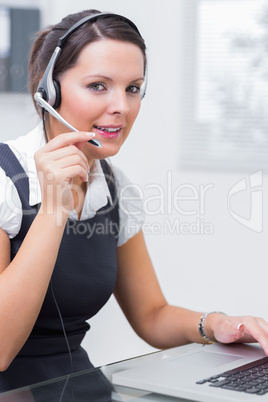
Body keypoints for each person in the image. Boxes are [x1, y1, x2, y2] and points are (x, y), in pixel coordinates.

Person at [0, 8, 268, 394]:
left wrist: (216, 324)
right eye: (97, 85)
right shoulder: (5, 180)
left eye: (133, 88)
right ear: (49, 92)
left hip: (77, 386)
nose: (122, 107)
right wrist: (53, 211)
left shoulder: (112, 186)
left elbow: (151, 315)